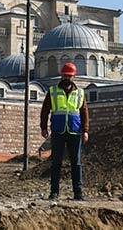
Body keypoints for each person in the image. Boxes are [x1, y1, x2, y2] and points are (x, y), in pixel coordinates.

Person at [40, 62, 89, 201]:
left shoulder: (80, 92)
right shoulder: (53, 91)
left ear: (74, 76)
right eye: (65, 75)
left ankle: (78, 193)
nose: (67, 78)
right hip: (58, 130)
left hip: (75, 131)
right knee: (56, 162)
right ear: (62, 75)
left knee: (76, 163)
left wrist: (85, 130)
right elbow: (45, 110)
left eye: (70, 75)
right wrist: (43, 127)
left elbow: (84, 112)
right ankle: (54, 192)